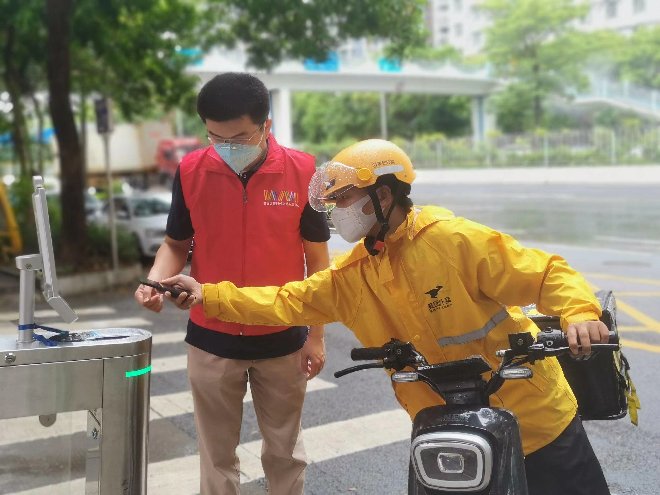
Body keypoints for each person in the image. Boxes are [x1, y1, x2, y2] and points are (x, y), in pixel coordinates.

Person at [162, 139, 612, 495]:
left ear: (381, 194)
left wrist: (579, 312)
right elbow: (286, 301)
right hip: (447, 428)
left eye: (345, 199)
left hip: (534, 421)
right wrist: (207, 294)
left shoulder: (452, 241)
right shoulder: (355, 274)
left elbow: (547, 272)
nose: (337, 213)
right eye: (333, 202)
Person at [134, 72, 330, 495]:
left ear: (266, 127)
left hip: (283, 338)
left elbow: (317, 262)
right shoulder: (191, 171)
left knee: (285, 453)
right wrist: (154, 280)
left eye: (239, 138)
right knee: (216, 456)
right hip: (210, 340)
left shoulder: (304, 171)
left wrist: (317, 336)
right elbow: (174, 243)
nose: (226, 149)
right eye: (214, 137)